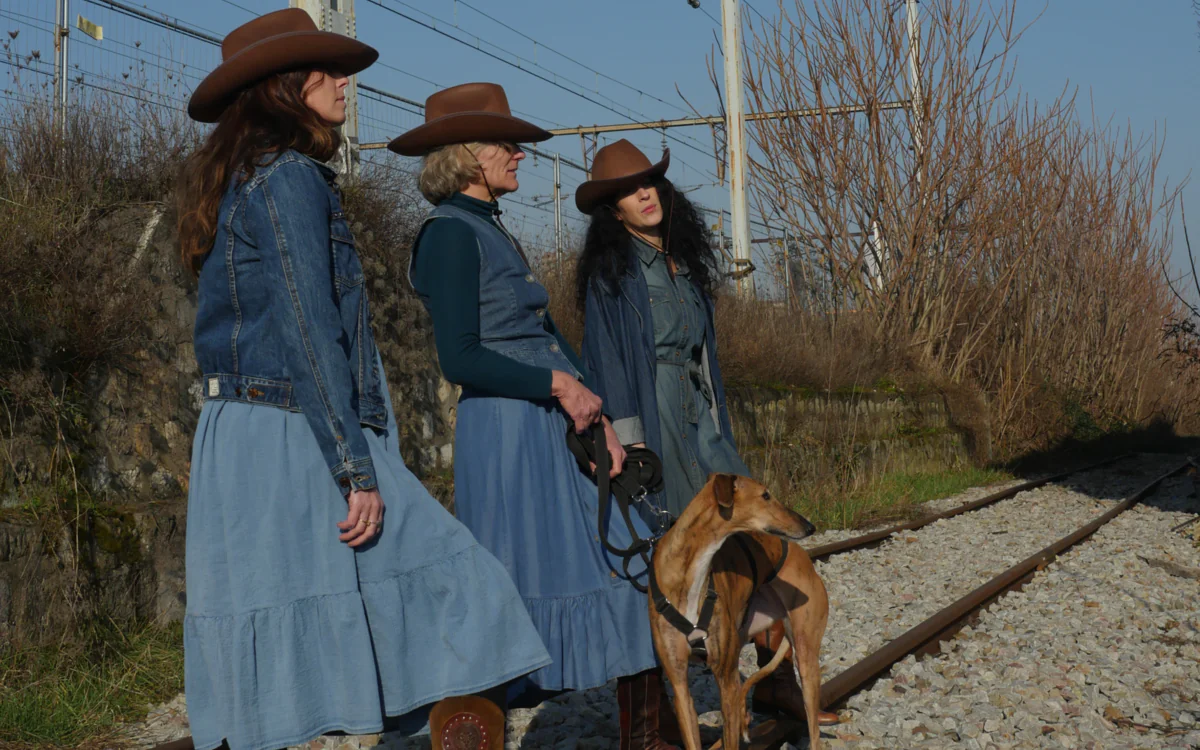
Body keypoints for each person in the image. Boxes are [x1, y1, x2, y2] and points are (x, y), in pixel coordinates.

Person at [178, 14, 550, 750]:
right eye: (328, 69)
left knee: (291, 623)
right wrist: (354, 467)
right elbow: (307, 326)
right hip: (289, 429)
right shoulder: (287, 181)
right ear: (288, 86)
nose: (347, 82)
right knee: (464, 586)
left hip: (248, 431)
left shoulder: (245, 180)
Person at [392, 83, 680, 750]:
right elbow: (460, 358)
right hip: (508, 435)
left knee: (630, 558)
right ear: (467, 155)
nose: (519, 153)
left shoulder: (493, 230)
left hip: (552, 422)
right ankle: (471, 732)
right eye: (505, 144)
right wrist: (555, 385)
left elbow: (549, 337)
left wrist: (596, 415)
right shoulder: (448, 236)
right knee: (510, 586)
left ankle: (650, 735)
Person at [574, 139, 839, 728]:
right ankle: (655, 721)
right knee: (668, 556)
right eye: (628, 190)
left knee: (753, 539)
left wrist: (718, 423)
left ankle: (775, 688)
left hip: (702, 416)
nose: (643, 194)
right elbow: (607, 360)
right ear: (612, 210)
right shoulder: (613, 275)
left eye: (649, 183)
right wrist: (630, 438)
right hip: (654, 412)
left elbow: (704, 355)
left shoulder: (683, 265)